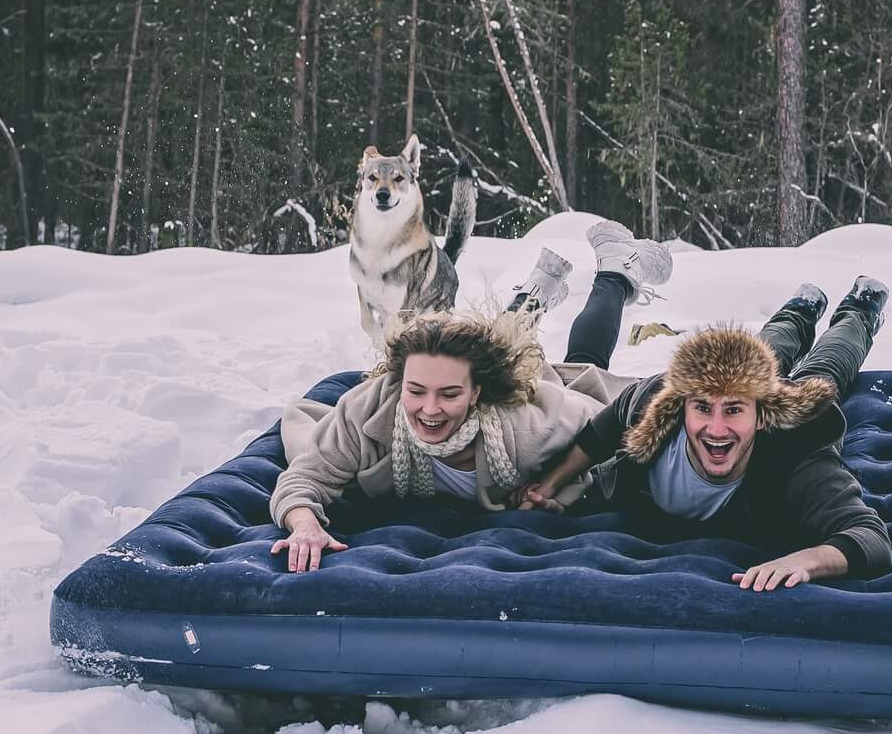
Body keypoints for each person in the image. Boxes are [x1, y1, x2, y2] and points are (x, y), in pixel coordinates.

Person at [270, 221, 673, 570]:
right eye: (416, 390)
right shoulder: (374, 409)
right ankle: (535, 293)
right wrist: (305, 524)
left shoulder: (529, 427)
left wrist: (551, 487)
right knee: (488, 345)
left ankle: (616, 271)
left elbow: (603, 425)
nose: (429, 409)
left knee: (584, 360)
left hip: (540, 392)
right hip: (488, 366)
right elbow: (307, 476)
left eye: (448, 394)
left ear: (476, 393)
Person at [516, 277, 892, 590]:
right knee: (762, 351)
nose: (716, 429)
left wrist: (810, 560)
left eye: (733, 411)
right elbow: (604, 428)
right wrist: (550, 486)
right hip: (738, 388)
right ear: (681, 406)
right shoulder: (656, 405)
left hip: (789, 420)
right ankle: (800, 310)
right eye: (701, 409)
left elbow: (869, 537)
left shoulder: (795, 452)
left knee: (823, 373)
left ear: (762, 417)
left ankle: (860, 310)